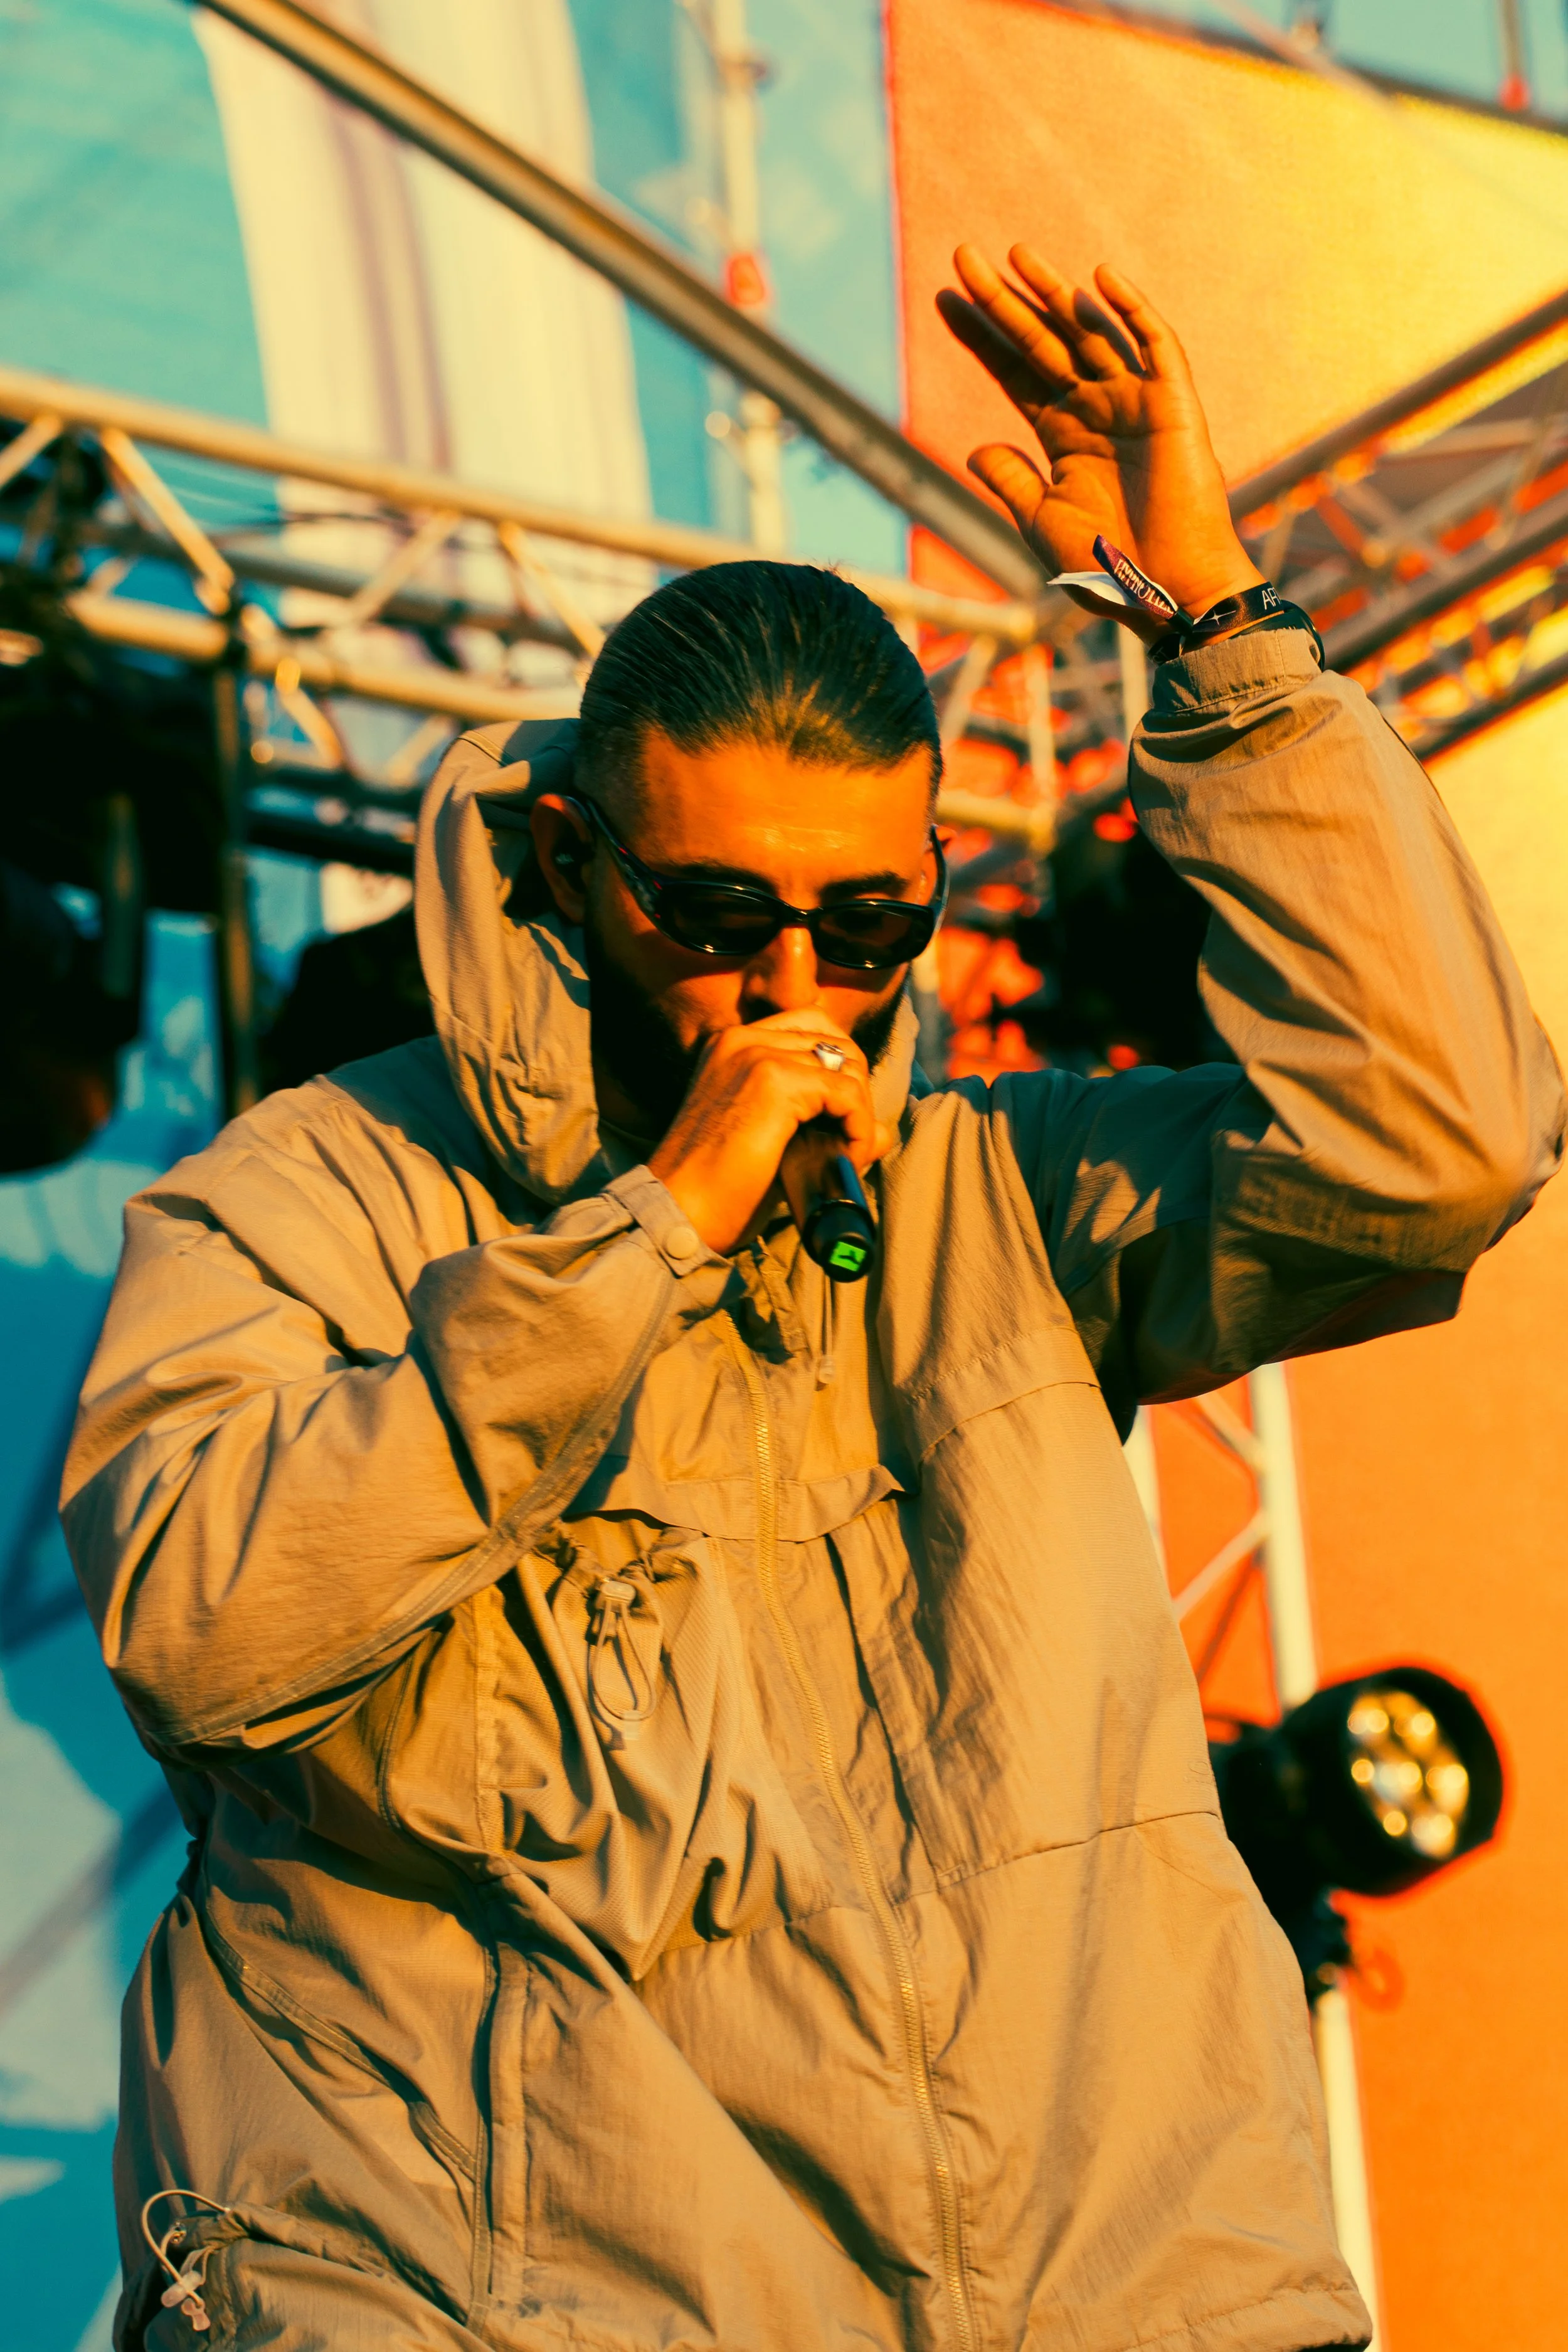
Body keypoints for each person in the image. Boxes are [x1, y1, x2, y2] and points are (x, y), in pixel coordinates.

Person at [66, 245, 1561, 2352]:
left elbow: (1440, 1146)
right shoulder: (307, 1198)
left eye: (868, 924)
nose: (793, 987)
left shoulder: (999, 1196)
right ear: (568, 863)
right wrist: (642, 1240)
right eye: (715, 913)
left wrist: (1218, 633)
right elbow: (203, 1628)